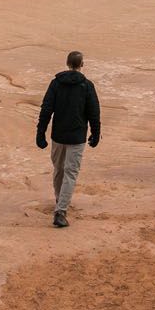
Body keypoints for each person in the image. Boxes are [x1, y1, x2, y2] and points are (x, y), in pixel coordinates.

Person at [36, 50, 101, 228]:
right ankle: (61, 209)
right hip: (77, 137)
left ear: (67, 63)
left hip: (58, 135)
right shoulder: (87, 86)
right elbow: (94, 113)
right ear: (82, 65)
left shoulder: (56, 84)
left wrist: (40, 132)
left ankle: (60, 200)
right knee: (70, 172)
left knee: (59, 169)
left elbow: (46, 109)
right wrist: (95, 133)